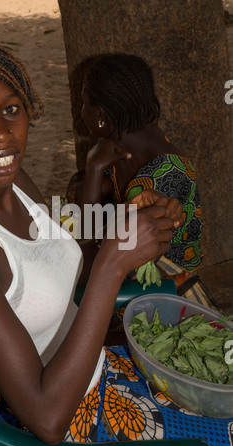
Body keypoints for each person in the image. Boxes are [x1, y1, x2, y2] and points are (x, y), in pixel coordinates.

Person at [0, 35, 230, 446]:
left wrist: (127, 225)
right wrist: (113, 265)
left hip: (99, 372)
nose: (0, 134)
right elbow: (48, 421)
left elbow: (61, 263)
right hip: (79, 425)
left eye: (10, 109)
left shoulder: (11, 182)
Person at [79, 53, 216, 309]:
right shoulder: (114, 146)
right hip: (128, 281)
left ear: (100, 115)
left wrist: (93, 171)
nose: (81, 112)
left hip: (162, 302)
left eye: (84, 103)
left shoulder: (165, 175)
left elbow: (91, 248)